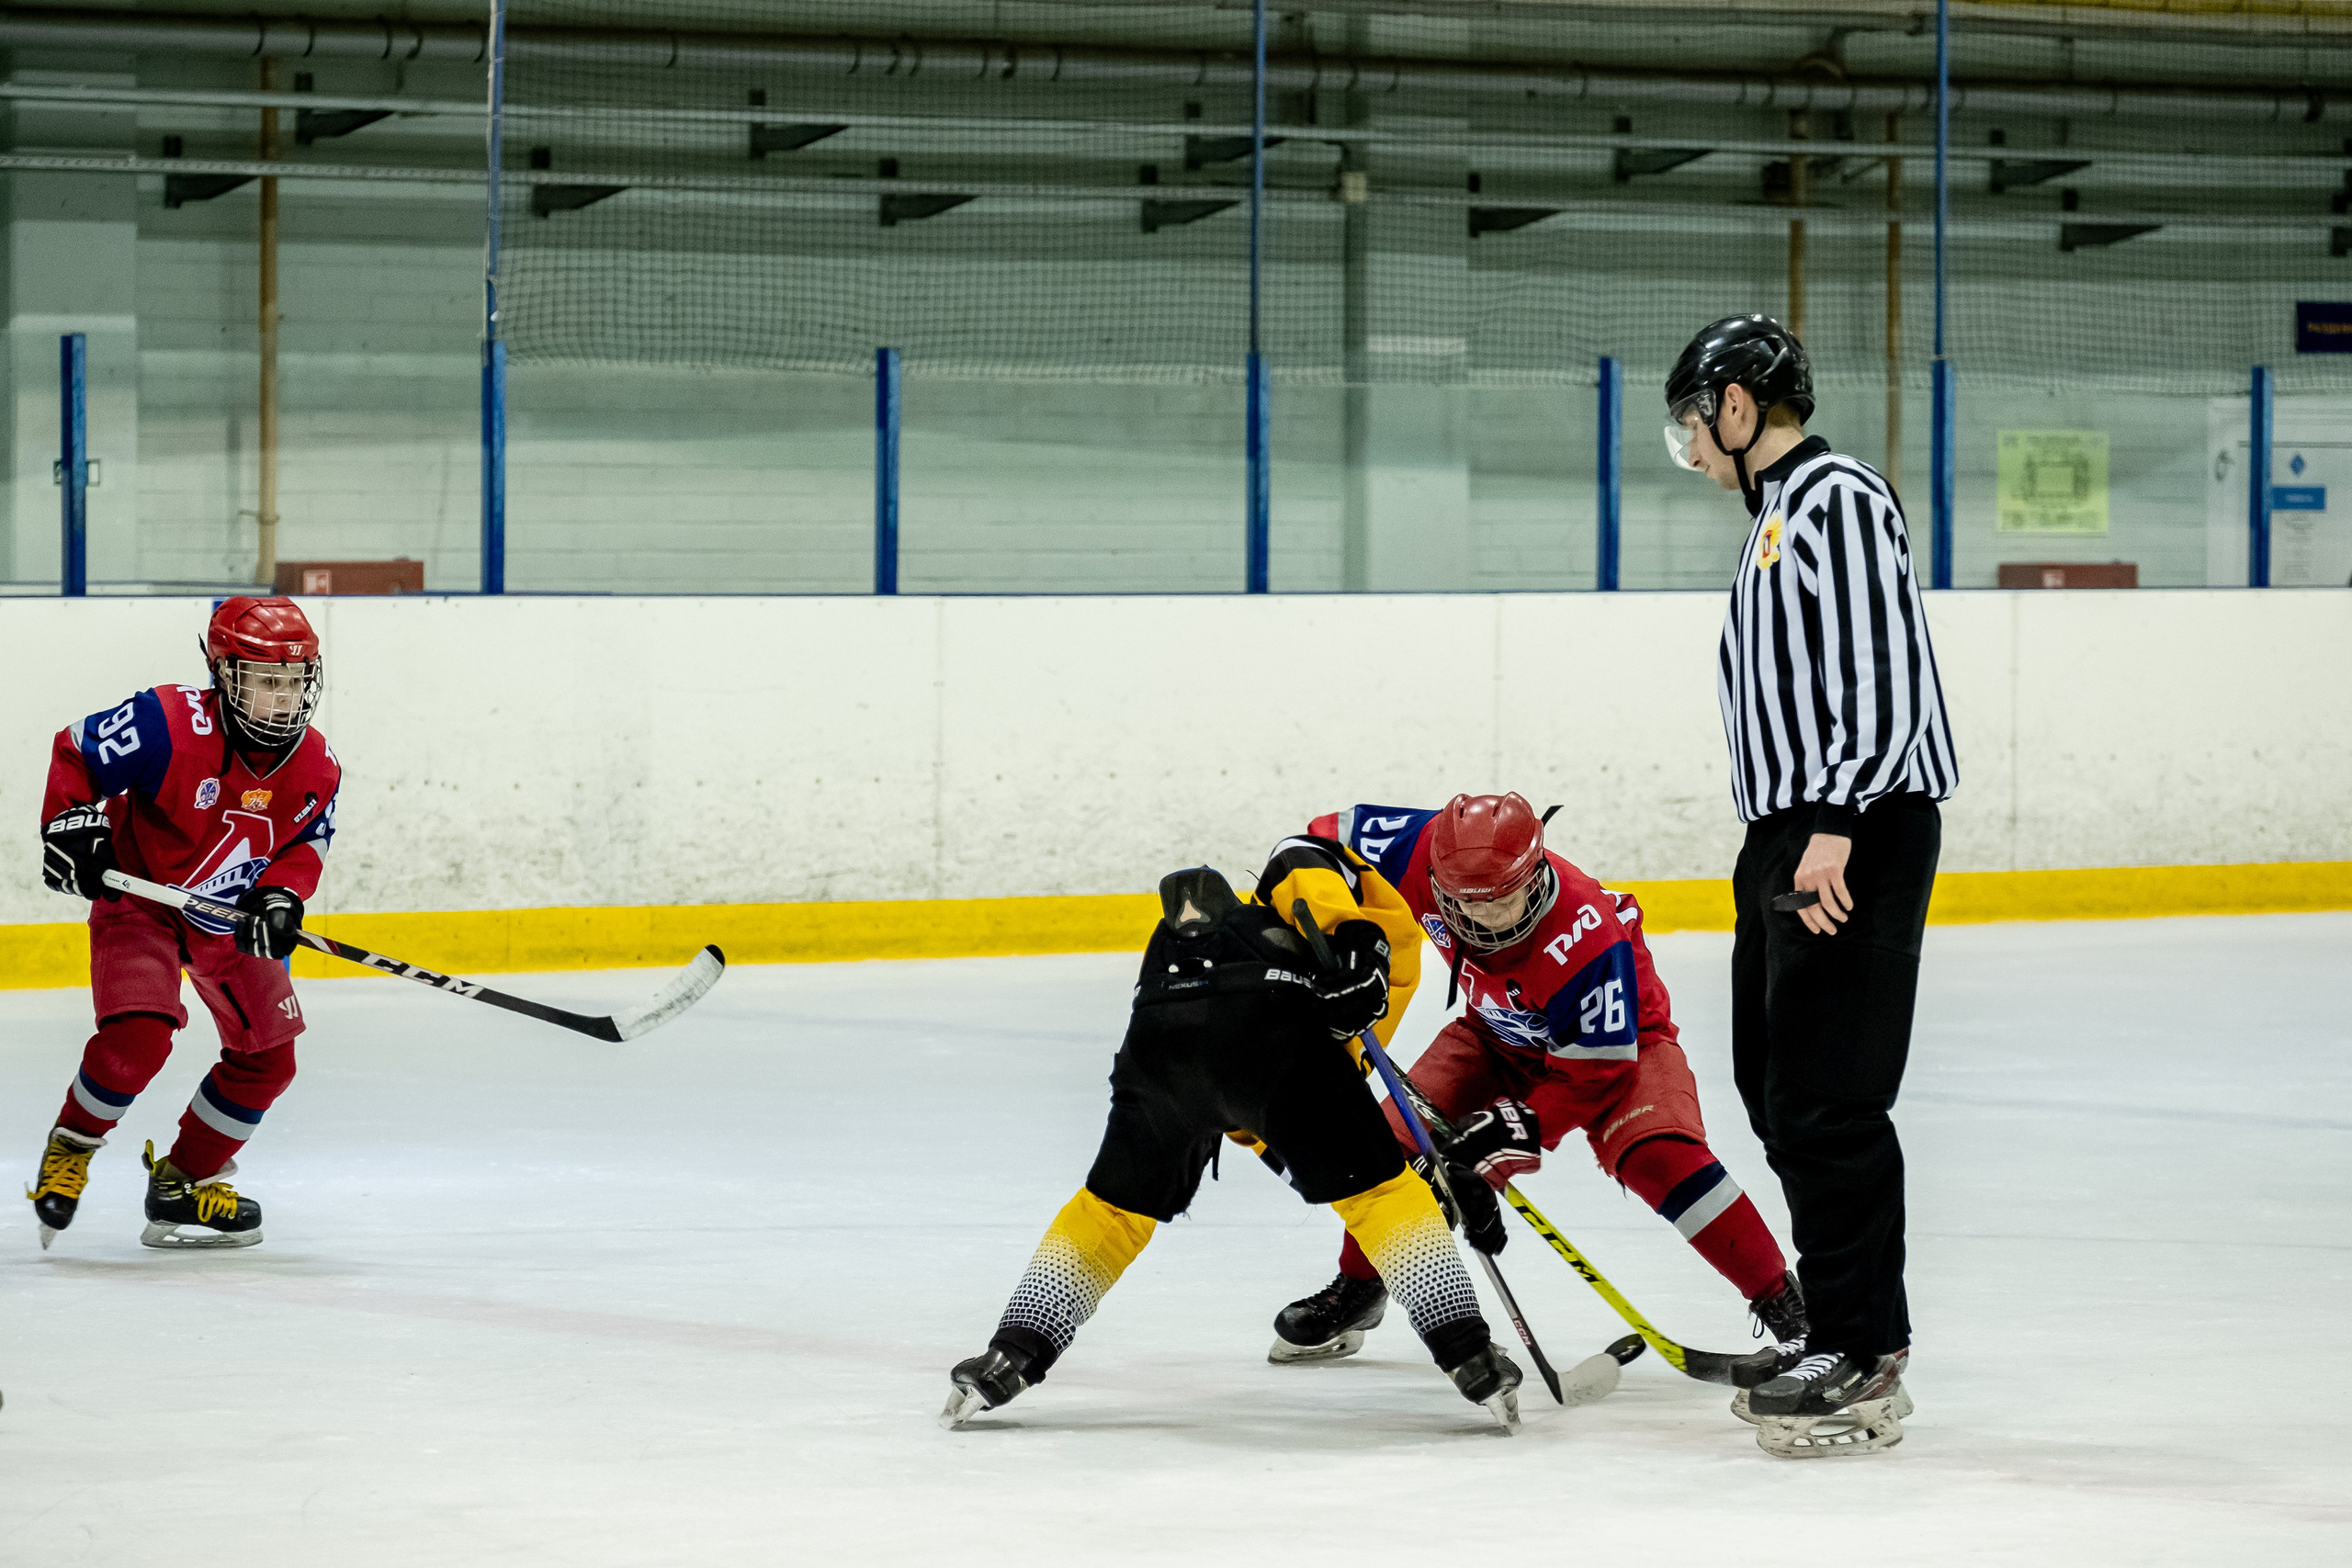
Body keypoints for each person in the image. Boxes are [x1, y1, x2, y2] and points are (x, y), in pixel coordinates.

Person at [942, 835, 1528, 1434]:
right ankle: (1468, 1353)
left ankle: (1010, 1353)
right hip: (1272, 1039)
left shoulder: (1198, 939)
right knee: (1384, 1198)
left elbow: (1251, 1111)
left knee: (1111, 1209)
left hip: (1163, 1041)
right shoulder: (1330, 894)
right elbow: (1299, 857)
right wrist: (1359, 948)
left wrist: (1343, 1148)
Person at [1666, 313, 1957, 1456]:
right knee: (1775, 1083)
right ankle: (1835, 1321)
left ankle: (1864, 1349)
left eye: (1694, 420)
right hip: (1791, 831)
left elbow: (1879, 671)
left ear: (1738, 406)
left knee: (1828, 1094)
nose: (1688, 446)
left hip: (1853, 826)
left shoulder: (1834, 496)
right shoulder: (1778, 516)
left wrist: (1834, 824)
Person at [1267, 795, 1804, 1393]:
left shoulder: (1585, 933)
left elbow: (1588, 1078)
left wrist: (1488, 1157)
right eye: (1468, 903)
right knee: (1388, 1151)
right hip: (1493, 1036)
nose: (1487, 918)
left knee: (1659, 1153)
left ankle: (1790, 1309)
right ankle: (1361, 1285)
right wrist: (1337, 931)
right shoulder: (1420, 846)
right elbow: (1312, 841)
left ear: (1536, 871)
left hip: (1620, 1051)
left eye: (1504, 898)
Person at [27, 595, 341, 1251]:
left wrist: (282, 897)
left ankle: (185, 1182)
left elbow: (306, 841)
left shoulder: (318, 765)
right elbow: (78, 751)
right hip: (140, 900)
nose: (281, 700)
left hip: (226, 915)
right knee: (138, 1037)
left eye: (292, 682)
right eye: (265, 682)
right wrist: (70, 823)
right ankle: (74, 1143)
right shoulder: (168, 720)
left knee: (268, 1059)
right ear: (225, 673)